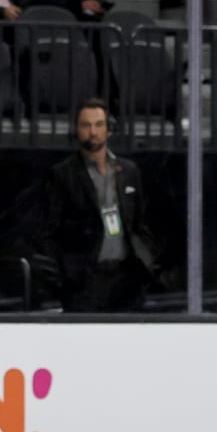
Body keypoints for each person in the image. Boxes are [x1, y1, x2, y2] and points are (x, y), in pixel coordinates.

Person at [31, 98, 165, 311]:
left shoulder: (128, 171)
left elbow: (140, 221)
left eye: (98, 124)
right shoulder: (62, 174)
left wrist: (145, 259)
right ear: (77, 130)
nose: (92, 132)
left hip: (127, 277)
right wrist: (67, 273)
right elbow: (47, 230)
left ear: (109, 130)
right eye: (86, 125)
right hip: (85, 279)